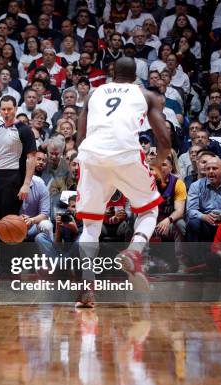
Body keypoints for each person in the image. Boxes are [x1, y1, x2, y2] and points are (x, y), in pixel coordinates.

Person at [75, 57, 171, 307]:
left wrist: (84, 158)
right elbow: (164, 138)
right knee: (150, 208)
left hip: (91, 154)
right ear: (137, 75)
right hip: (126, 154)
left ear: (111, 72)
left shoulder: (94, 93)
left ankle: (87, 286)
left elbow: (80, 132)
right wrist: (159, 164)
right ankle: (134, 251)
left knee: (90, 225)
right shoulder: (146, 95)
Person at [0, 95, 37, 279]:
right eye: (3, 109)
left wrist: (26, 184)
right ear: (0, 110)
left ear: (15, 108)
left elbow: (31, 157)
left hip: (14, 178)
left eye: (9, 109)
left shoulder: (24, 130)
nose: (6, 112)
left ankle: (9, 266)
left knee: (8, 224)